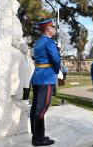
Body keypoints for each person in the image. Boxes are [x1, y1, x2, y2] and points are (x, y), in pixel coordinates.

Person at [30, 18, 60, 146]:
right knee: (41, 109)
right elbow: (56, 59)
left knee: (36, 107)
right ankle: (39, 139)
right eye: (53, 27)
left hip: (38, 77)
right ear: (48, 29)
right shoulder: (49, 42)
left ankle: (35, 135)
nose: (54, 29)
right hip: (46, 78)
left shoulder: (38, 42)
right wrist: (57, 70)